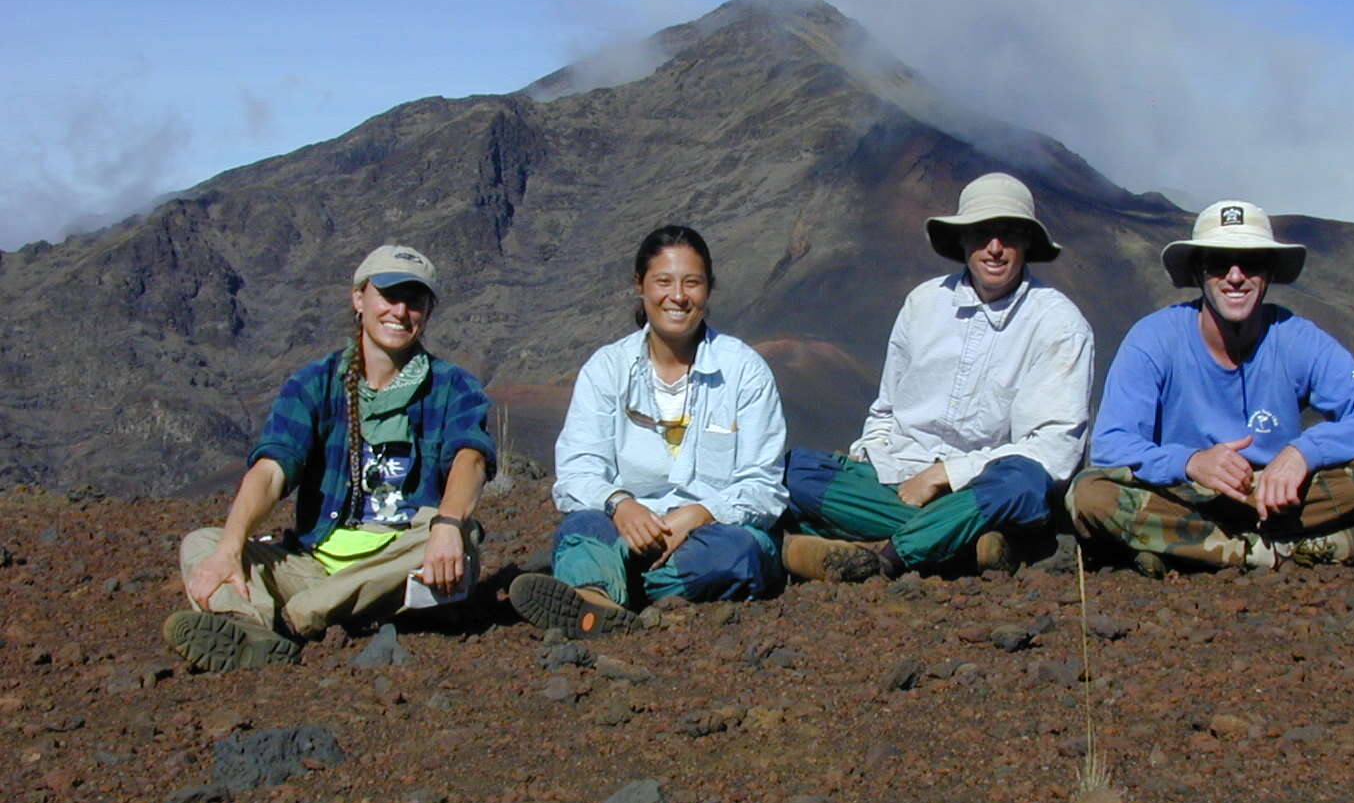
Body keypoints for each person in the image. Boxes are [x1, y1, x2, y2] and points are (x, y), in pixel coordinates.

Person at [164, 244, 496, 671]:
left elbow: (471, 459)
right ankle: (245, 629)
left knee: (462, 543)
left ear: (427, 312)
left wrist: (448, 525)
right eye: (389, 296)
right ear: (359, 299)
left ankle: (293, 618)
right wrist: (230, 547)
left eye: (415, 301)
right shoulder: (314, 384)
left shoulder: (454, 387)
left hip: (403, 563)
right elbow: (271, 469)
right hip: (315, 563)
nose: (400, 310)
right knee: (205, 542)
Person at [1068, 199, 1354, 574]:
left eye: (1250, 262)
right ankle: (1282, 551)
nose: (1235, 276)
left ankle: (1183, 550)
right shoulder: (1153, 339)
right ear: (1200, 272)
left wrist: (1303, 453)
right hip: (1187, 494)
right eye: (1219, 263)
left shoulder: (1296, 338)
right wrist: (1191, 461)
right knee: (1090, 495)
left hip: (1277, 495)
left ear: (1268, 273)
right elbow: (1112, 444)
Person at [783, 172, 1094, 580]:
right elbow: (886, 408)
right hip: (897, 479)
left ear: (1027, 245)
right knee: (794, 470)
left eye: (1009, 235)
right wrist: (874, 455)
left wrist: (947, 474)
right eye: (982, 234)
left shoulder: (1058, 324)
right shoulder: (923, 304)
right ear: (963, 240)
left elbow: (1055, 451)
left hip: (983, 488)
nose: (995, 248)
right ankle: (961, 544)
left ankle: (886, 555)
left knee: (1023, 482)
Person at [509, 225, 787, 637]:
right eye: (664, 281)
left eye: (692, 282)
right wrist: (621, 505)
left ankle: (602, 590)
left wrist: (700, 514)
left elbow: (764, 484)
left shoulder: (744, 371)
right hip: (623, 529)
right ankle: (609, 594)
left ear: (708, 289)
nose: (678, 296)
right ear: (640, 286)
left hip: (709, 535)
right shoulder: (608, 369)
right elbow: (579, 471)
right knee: (582, 527)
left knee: (740, 552)